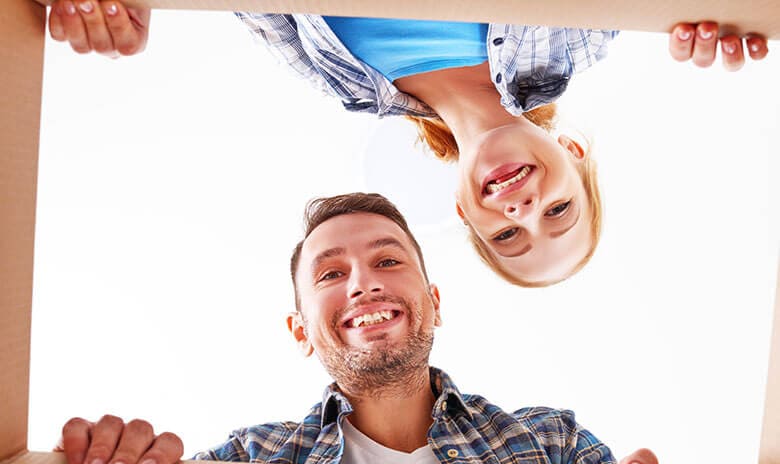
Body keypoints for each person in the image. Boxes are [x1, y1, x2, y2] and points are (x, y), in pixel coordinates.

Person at [46, 3, 770, 288]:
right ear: (576, 159)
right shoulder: (580, 39)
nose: (523, 206)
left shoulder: (347, 84)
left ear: (466, 214)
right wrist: (731, 15)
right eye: (557, 212)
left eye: (509, 233)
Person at [57, 192, 659, 464]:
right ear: (301, 332)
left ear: (435, 303)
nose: (364, 285)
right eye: (330, 274)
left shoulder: (553, 446)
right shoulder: (248, 462)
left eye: (389, 262)